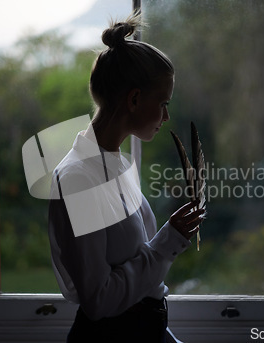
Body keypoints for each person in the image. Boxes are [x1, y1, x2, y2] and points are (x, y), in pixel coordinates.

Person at [48, 13, 205, 343]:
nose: (167, 116)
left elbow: (139, 278)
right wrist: (167, 242)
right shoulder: (79, 178)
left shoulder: (117, 164)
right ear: (134, 99)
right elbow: (99, 301)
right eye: (162, 103)